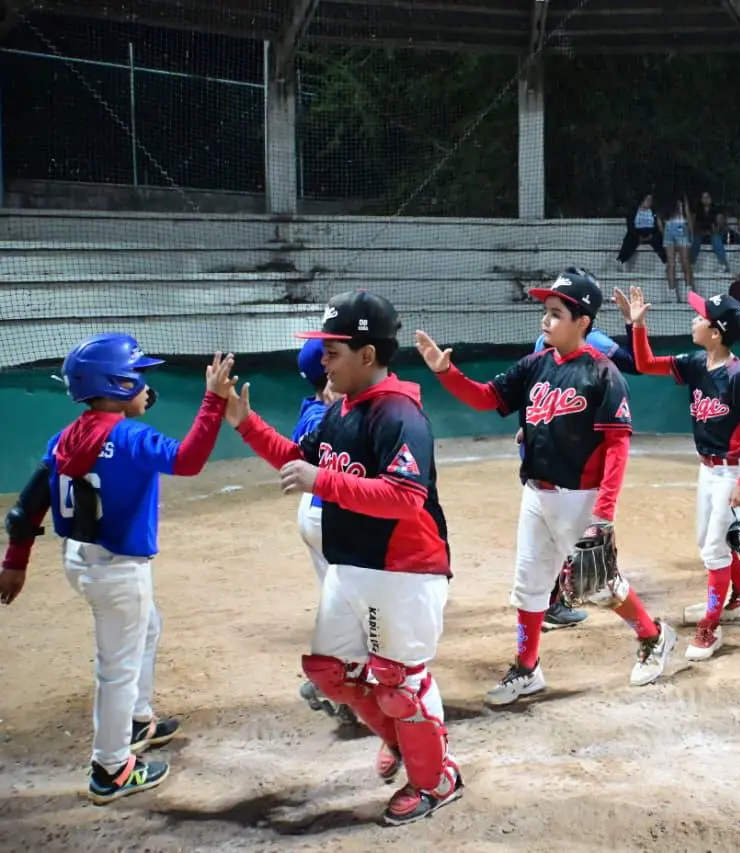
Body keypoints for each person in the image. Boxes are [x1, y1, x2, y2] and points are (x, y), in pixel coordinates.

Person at [225, 290, 462, 825]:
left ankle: (436, 778)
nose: (323, 361)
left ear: (368, 355)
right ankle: (404, 743)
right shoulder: (343, 410)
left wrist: (322, 482)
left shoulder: (400, 414)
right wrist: (244, 422)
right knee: (330, 671)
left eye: (332, 351)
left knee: (401, 682)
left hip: (403, 569)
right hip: (352, 564)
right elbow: (298, 460)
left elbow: (406, 498)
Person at [416, 268, 677, 705]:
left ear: (583, 322)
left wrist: (604, 512)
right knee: (530, 585)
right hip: (537, 492)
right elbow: (487, 398)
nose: (545, 320)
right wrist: (447, 372)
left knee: (598, 585)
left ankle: (653, 636)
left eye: (556, 313)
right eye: (546, 312)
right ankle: (527, 667)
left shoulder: (603, 373)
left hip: (581, 498)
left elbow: (617, 445)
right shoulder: (534, 365)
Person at [0, 336, 233, 804]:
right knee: (117, 669)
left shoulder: (65, 437)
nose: (146, 385)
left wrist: (15, 561)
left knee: (148, 628)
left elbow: (28, 507)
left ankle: (137, 718)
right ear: (118, 382)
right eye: (137, 377)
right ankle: (110, 768)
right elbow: (188, 460)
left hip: (81, 561)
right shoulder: (130, 438)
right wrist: (213, 400)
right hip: (118, 571)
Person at [627, 286, 740, 659]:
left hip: (731, 471)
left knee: (713, 552)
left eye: (701, 317)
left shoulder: (738, 376)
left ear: (717, 332)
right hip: (707, 470)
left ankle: (710, 628)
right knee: (709, 541)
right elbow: (644, 364)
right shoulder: (695, 363)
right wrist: (637, 326)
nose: (694, 319)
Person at [529, 317, 638, 631]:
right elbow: (633, 364)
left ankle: (555, 601)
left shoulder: (543, 344)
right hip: (577, 451)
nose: (547, 320)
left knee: (549, 532)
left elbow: (534, 394)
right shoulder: (599, 344)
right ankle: (649, 634)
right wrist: (633, 325)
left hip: (545, 444)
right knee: (578, 536)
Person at [290, 339, 354, 722]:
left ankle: (340, 689)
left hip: (319, 515)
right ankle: (328, 682)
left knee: (341, 601)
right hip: (326, 515)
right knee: (351, 604)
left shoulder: (317, 409)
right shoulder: (319, 416)